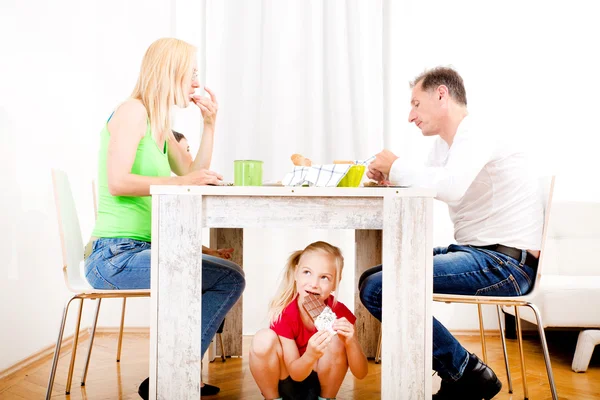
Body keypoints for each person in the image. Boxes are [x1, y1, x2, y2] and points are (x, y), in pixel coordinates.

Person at [359, 67, 543, 400]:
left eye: (416, 104)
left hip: (504, 265)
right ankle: (463, 372)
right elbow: (434, 184)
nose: (410, 115)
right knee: (371, 279)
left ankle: (465, 372)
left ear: (441, 94)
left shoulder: (479, 131)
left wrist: (397, 165)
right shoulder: (445, 147)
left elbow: (451, 187)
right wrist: (391, 178)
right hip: (479, 254)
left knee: (379, 287)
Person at [83, 37, 245, 398]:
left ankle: (170, 374)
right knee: (228, 279)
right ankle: (171, 376)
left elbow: (194, 174)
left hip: (142, 250)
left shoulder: (162, 128)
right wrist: (184, 179)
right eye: (191, 75)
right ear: (170, 73)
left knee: (228, 276)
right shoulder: (132, 111)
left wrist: (211, 124)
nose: (196, 84)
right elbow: (118, 181)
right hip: (114, 257)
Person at [249, 241, 368, 400]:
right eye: (307, 272)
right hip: (288, 380)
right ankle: (272, 398)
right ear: (296, 273)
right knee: (262, 339)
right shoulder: (284, 313)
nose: (314, 284)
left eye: (324, 277)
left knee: (336, 340)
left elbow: (361, 374)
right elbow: (296, 374)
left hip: (320, 382)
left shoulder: (339, 313)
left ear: (335, 283)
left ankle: (325, 398)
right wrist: (311, 354)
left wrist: (350, 341)